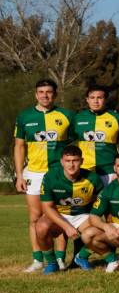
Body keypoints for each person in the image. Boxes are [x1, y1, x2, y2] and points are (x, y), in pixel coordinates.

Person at [15, 79, 74, 273]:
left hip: (58, 173)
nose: (45, 95)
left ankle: (59, 259)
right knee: (34, 217)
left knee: (58, 216)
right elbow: (19, 146)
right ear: (36, 94)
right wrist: (19, 175)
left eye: (49, 92)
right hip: (33, 173)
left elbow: (76, 146)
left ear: (55, 94)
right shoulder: (24, 117)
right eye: (41, 92)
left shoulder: (66, 116)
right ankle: (38, 259)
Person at [35, 146, 103, 273]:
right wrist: (66, 226)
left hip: (82, 216)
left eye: (75, 160)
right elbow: (47, 207)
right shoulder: (50, 177)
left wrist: (97, 220)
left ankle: (81, 257)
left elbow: (101, 203)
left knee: (102, 231)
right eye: (67, 161)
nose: (71, 165)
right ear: (61, 161)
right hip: (59, 215)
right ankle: (51, 263)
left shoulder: (93, 178)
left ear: (82, 161)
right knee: (41, 227)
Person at [72, 85, 119, 186]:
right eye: (92, 98)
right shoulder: (77, 118)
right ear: (87, 99)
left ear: (105, 99)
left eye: (99, 98)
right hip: (85, 171)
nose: (96, 101)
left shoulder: (117, 118)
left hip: (110, 172)